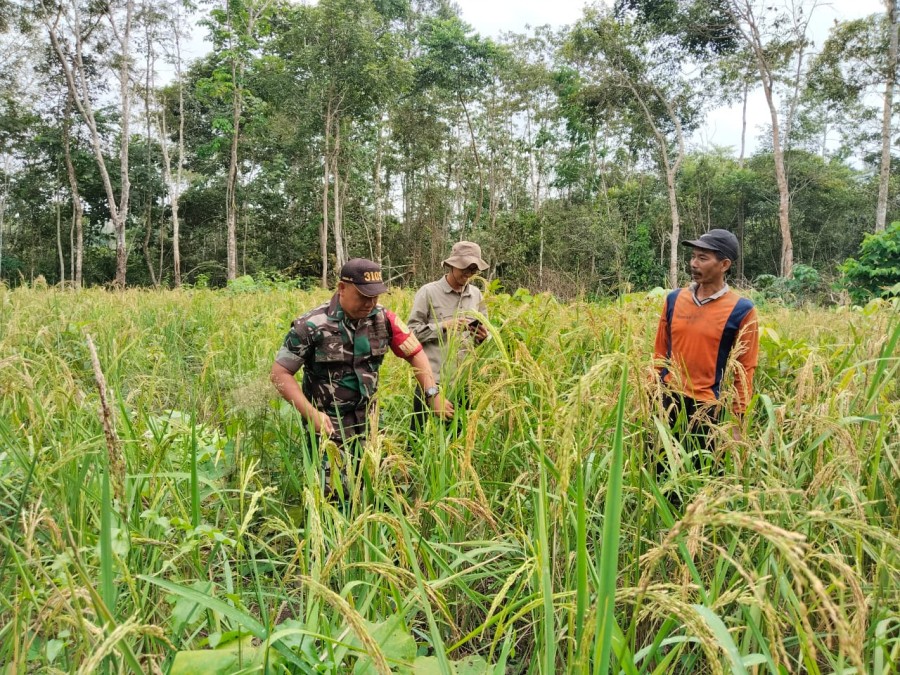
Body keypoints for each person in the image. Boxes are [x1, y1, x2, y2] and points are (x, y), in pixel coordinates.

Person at [271, 258, 453, 493]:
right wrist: (310, 413)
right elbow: (280, 373)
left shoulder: (384, 320)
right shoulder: (311, 325)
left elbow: (415, 353)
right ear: (342, 288)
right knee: (330, 495)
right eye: (363, 296)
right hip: (328, 426)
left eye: (375, 297)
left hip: (369, 422)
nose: (370, 303)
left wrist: (431, 392)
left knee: (370, 488)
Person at [653, 228, 759, 465]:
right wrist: (651, 396)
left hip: (707, 409)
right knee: (660, 471)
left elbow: (746, 368)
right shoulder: (674, 299)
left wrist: (738, 421)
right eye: (693, 257)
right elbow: (659, 353)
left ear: (724, 265)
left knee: (702, 477)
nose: (694, 263)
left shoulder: (741, 310)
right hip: (668, 400)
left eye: (703, 258)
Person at [407, 241, 489, 431]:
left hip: (462, 384)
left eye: (473, 269)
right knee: (419, 442)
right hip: (430, 382)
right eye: (464, 268)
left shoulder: (476, 295)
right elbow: (410, 333)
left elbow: (486, 333)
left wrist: (482, 337)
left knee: (456, 443)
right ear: (452, 265)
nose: (468, 274)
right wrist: (443, 326)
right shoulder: (429, 292)